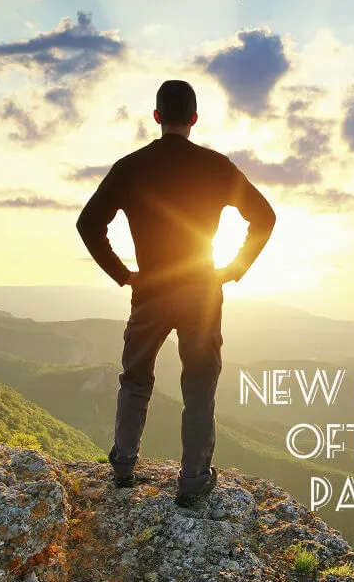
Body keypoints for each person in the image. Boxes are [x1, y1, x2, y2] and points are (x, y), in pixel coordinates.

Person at [76, 80, 276, 507]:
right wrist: (234, 269)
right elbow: (265, 217)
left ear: (156, 117)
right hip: (202, 293)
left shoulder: (130, 166)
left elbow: (88, 224)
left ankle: (125, 467)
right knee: (200, 385)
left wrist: (124, 275)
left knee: (135, 379)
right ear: (194, 119)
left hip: (149, 292)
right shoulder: (217, 167)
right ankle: (193, 480)